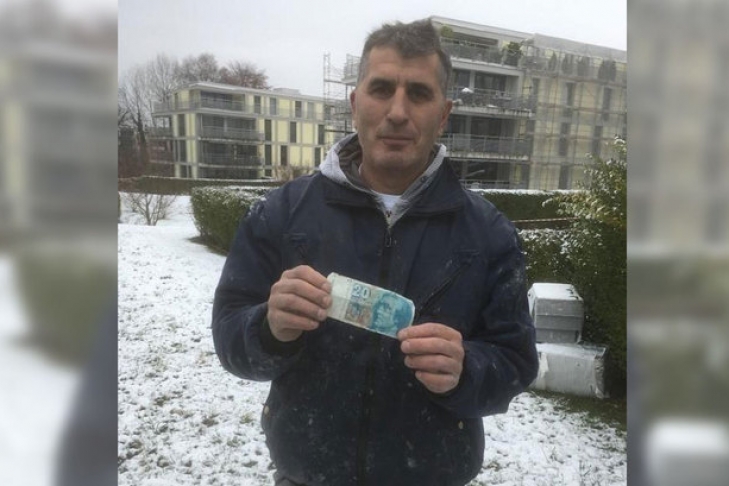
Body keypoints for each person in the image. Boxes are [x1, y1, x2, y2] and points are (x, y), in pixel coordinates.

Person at [212, 18, 538, 486]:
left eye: (419, 94)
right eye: (381, 89)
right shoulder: (280, 214)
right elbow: (229, 338)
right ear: (354, 103)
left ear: (443, 114)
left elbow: (516, 363)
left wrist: (467, 370)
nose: (398, 112)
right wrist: (268, 328)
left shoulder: (490, 234)